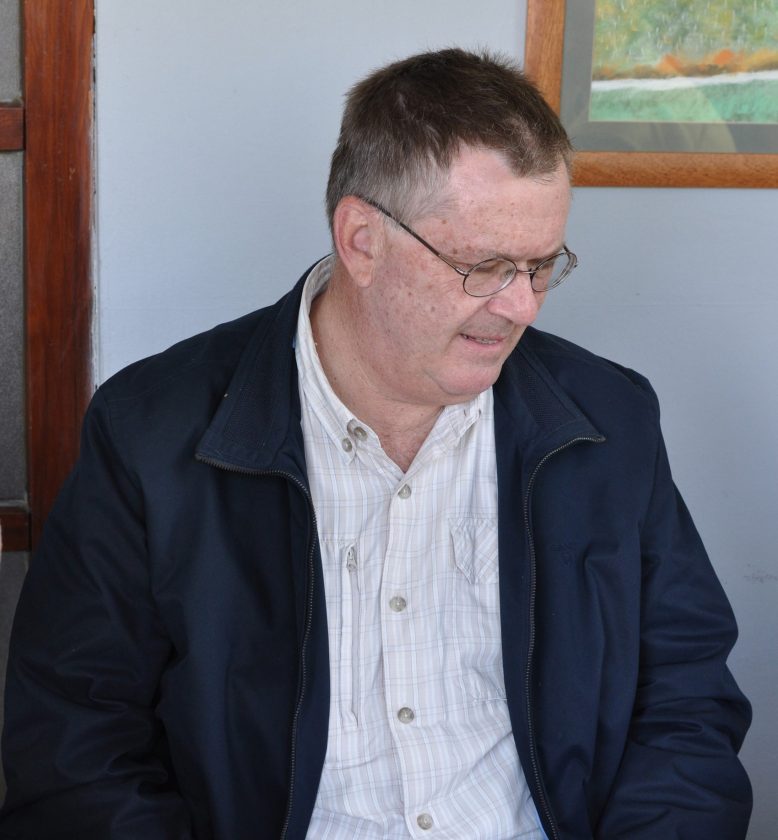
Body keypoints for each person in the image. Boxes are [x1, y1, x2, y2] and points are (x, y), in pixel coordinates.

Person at [0, 48, 751, 840]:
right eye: (485, 266)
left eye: (541, 266)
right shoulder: (153, 433)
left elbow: (686, 702)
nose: (523, 308)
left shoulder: (609, 420)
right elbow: (75, 743)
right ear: (361, 240)